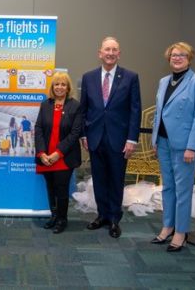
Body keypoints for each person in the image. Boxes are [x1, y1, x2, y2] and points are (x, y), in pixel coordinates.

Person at [150, 42, 195, 252]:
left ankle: (181, 232)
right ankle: (168, 226)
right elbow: (158, 112)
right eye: (174, 55)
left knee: (183, 190)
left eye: (182, 55)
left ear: (189, 58)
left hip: (185, 146)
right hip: (164, 143)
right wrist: (155, 140)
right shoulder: (164, 81)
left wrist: (192, 147)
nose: (177, 58)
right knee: (167, 188)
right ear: (169, 58)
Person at [80, 36, 141, 238]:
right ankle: (102, 215)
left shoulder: (130, 77)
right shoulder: (88, 77)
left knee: (116, 179)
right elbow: (83, 109)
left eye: (115, 49)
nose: (111, 53)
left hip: (119, 139)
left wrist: (132, 139)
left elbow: (135, 110)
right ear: (100, 53)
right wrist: (83, 134)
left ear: (119, 54)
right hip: (95, 137)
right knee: (99, 179)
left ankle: (114, 218)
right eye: (107, 49)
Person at [35, 72, 83, 234]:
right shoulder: (45, 105)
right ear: (52, 87)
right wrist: (42, 153)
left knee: (61, 188)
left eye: (63, 84)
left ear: (68, 87)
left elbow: (75, 133)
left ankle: (62, 219)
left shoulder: (75, 106)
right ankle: (54, 216)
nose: (60, 87)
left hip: (64, 156)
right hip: (46, 156)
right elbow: (39, 129)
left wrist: (58, 153)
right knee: (50, 187)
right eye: (57, 84)